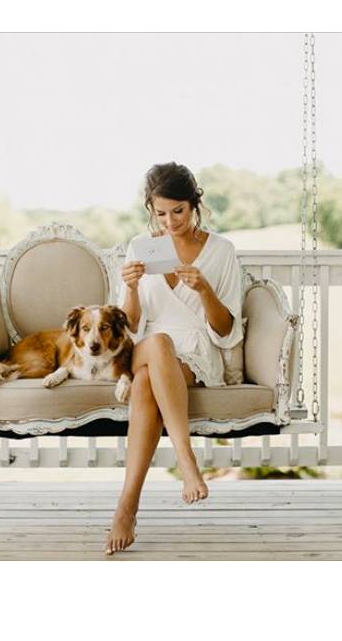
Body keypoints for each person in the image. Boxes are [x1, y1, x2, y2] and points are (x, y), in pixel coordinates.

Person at [105, 162, 244, 555]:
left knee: (148, 381)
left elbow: (226, 330)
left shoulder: (221, 251)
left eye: (178, 211)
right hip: (148, 344)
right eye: (160, 213)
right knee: (158, 342)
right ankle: (187, 462)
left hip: (195, 353)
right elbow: (129, 326)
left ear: (194, 204)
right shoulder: (140, 247)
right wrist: (130, 289)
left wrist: (205, 292)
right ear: (151, 209)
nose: (170, 222)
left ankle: (126, 507)